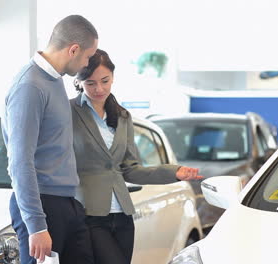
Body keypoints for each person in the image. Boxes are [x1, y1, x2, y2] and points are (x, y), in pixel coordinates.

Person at [71, 49, 203, 264]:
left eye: (105, 81)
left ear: (113, 77)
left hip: (123, 216)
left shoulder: (122, 116)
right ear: (79, 82)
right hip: (89, 214)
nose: (99, 89)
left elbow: (130, 169)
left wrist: (174, 172)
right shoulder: (68, 112)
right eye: (90, 83)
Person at [1, 15, 98, 264]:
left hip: (66, 202)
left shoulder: (54, 81)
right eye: (87, 57)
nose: (87, 64)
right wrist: (36, 225)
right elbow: (20, 161)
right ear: (73, 49)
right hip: (43, 206)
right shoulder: (30, 86)